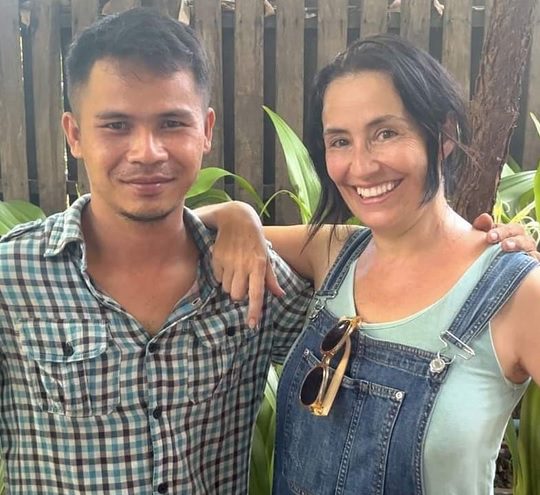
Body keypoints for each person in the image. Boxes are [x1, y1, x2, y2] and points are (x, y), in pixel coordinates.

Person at [201, 35, 540, 494]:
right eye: (340, 141)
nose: (360, 167)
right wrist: (236, 214)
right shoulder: (334, 252)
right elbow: (186, 229)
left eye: (385, 133)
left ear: (443, 135)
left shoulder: (515, 292)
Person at [0, 8, 314, 494]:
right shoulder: (12, 277)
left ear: (206, 130)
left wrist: (242, 216)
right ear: (74, 135)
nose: (147, 152)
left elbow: (372, 285)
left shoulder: (253, 279)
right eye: (116, 125)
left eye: (171, 123)